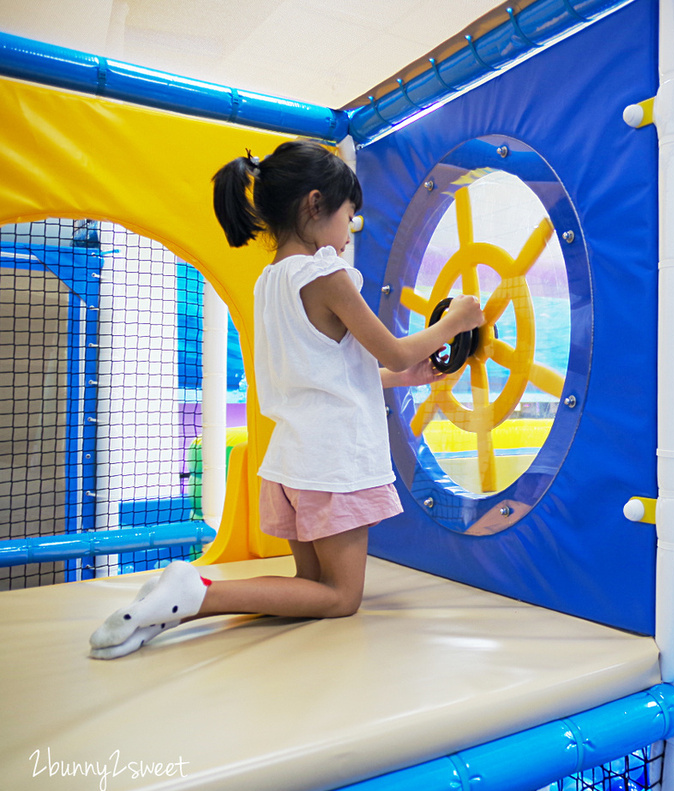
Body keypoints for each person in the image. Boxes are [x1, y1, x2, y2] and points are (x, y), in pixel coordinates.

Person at [88, 139, 485, 658]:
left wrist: (400, 380)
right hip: (332, 463)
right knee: (342, 597)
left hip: (291, 463)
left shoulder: (270, 282)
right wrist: (456, 322)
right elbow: (390, 347)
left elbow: (318, 374)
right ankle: (198, 596)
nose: (348, 233)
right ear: (315, 205)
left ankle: (161, 610)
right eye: (348, 217)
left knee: (312, 586)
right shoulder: (327, 275)